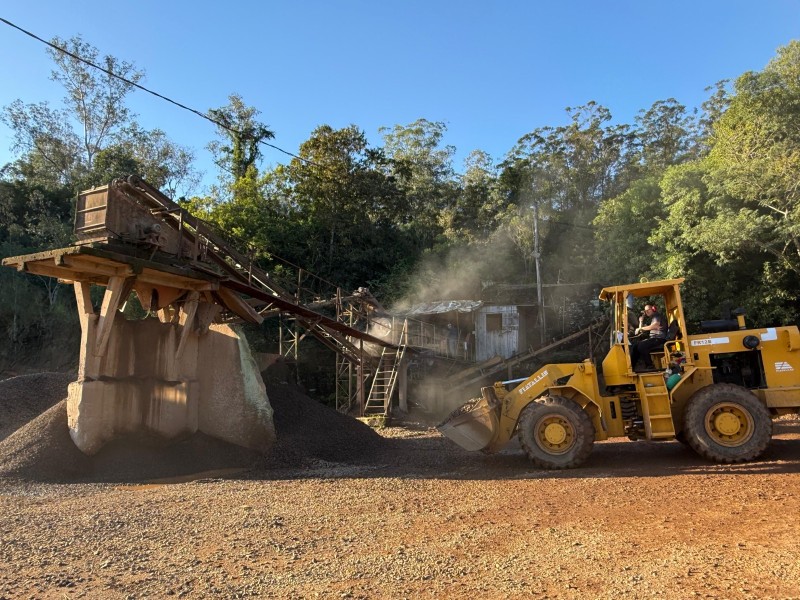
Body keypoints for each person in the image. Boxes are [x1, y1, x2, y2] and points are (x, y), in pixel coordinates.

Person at [630, 303, 666, 371]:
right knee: (635, 346)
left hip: (659, 339)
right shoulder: (652, 319)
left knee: (642, 346)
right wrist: (641, 322)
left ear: (653, 309)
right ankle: (631, 368)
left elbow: (655, 326)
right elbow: (642, 330)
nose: (646, 312)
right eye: (645, 311)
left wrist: (641, 328)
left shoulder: (657, 316)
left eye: (648, 310)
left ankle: (650, 366)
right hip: (654, 338)